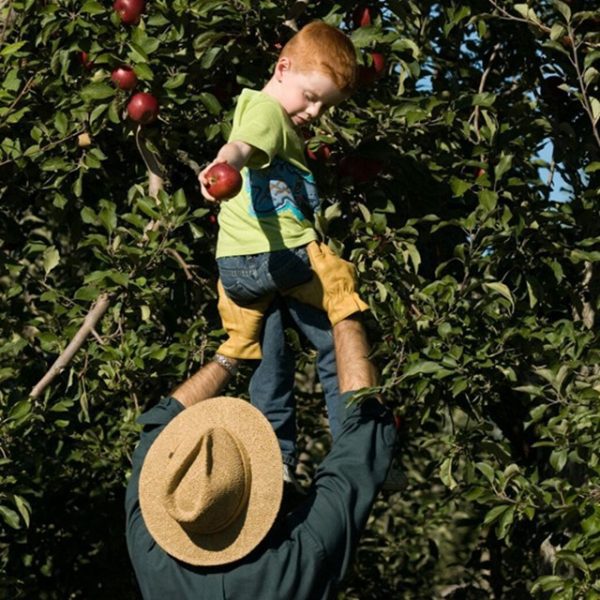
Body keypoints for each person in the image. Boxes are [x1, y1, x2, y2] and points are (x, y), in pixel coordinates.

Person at [125, 252, 398, 599]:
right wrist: (341, 304)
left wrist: (235, 349)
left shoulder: (154, 561)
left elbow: (361, 442)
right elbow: (158, 427)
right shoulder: (147, 548)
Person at [197, 21, 368, 488]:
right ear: (283, 67)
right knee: (339, 336)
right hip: (281, 258)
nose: (314, 111)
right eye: (310, 96)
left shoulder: (273, 117)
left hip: (237, 272)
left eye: (324, 105)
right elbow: (240, 145)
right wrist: (223, 164)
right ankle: (360, 443)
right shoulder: (266, 111)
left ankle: (276, 470)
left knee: (270, 372)